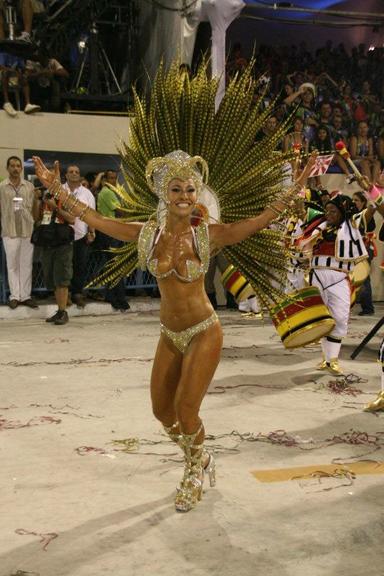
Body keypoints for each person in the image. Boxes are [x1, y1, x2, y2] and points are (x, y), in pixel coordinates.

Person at [33, 149, 316, 513]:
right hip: (170, 333)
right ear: (165, 194)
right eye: (177, 190)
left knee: (185, 409)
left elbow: (261, 220)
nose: (184, 196)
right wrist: (57, 189)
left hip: (203, 330)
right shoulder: (146, 234)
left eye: (190, 190)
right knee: (161, 412)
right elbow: (95, 218)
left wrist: (299, 185)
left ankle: (192, 471)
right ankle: (202, 456)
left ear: (198, 195)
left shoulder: (209, 235)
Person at [298, 193, 373, 376]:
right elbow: (300, 211)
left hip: (339, 277)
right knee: (321, 318)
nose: (329, 213)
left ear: (342, 211)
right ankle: (327, 359)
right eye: (327, 210)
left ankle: (334, 359)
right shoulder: (318, 226)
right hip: (316, 276)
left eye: (333, 211)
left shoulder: (352, 225)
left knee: (339, 317)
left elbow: (369, 211)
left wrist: (373, 192)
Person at [0, 155, 39, 308]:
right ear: (7, 168)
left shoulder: (29, 186)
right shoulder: (2, 187)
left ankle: (26, 296)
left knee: (26, 264)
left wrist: (37, 200)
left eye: (18, 166)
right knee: (12, 265)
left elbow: (35, 211)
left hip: (27, 229)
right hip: (9, 230)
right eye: (12, 166)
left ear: (21, 168)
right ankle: (14, 296)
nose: (15, 168)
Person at [35, 188, 75, 325]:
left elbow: (71, 219)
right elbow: (36, 218)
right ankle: (59, 311)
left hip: (63, 245)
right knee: (52, 279)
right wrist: (38, 201)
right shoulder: (45, 199)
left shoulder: (66, 199)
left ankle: (63, 312)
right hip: (48, 244)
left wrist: (55, 208)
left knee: (62, 278)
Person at [63, 165, 95, 308]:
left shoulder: (87, 193)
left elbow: (92, 214)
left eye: (77, 172)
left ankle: (77, 293)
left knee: (80, 266)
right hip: (62, 236)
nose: (74, 174)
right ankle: (65, 294)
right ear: (66, 175)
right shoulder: (60, 190)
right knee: (64, 266)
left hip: (81, 235)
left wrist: (91, 231)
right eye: (71, 172)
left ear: (80, 176)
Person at [96, 169, 129, 311]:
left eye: (115, 178)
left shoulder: (107, 192)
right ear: (105, 180)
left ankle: (113, 296)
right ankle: (119, 299)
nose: (113, 181)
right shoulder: (108, 193)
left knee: (111, 266)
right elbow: (120, 211)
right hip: (110, 233)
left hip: (108, 232)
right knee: (116, 267)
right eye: (110, 178)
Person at [352, 191, 376, 316]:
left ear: (363, 202)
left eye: (356, 200)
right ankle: (360, 303)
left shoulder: (366, 214)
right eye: (353, 200)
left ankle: (368, 308)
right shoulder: (355, 214)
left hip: (365, 248)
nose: (354, 202)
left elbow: (373, 208)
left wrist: (370, 195)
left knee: (364, 277)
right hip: (357, 248)